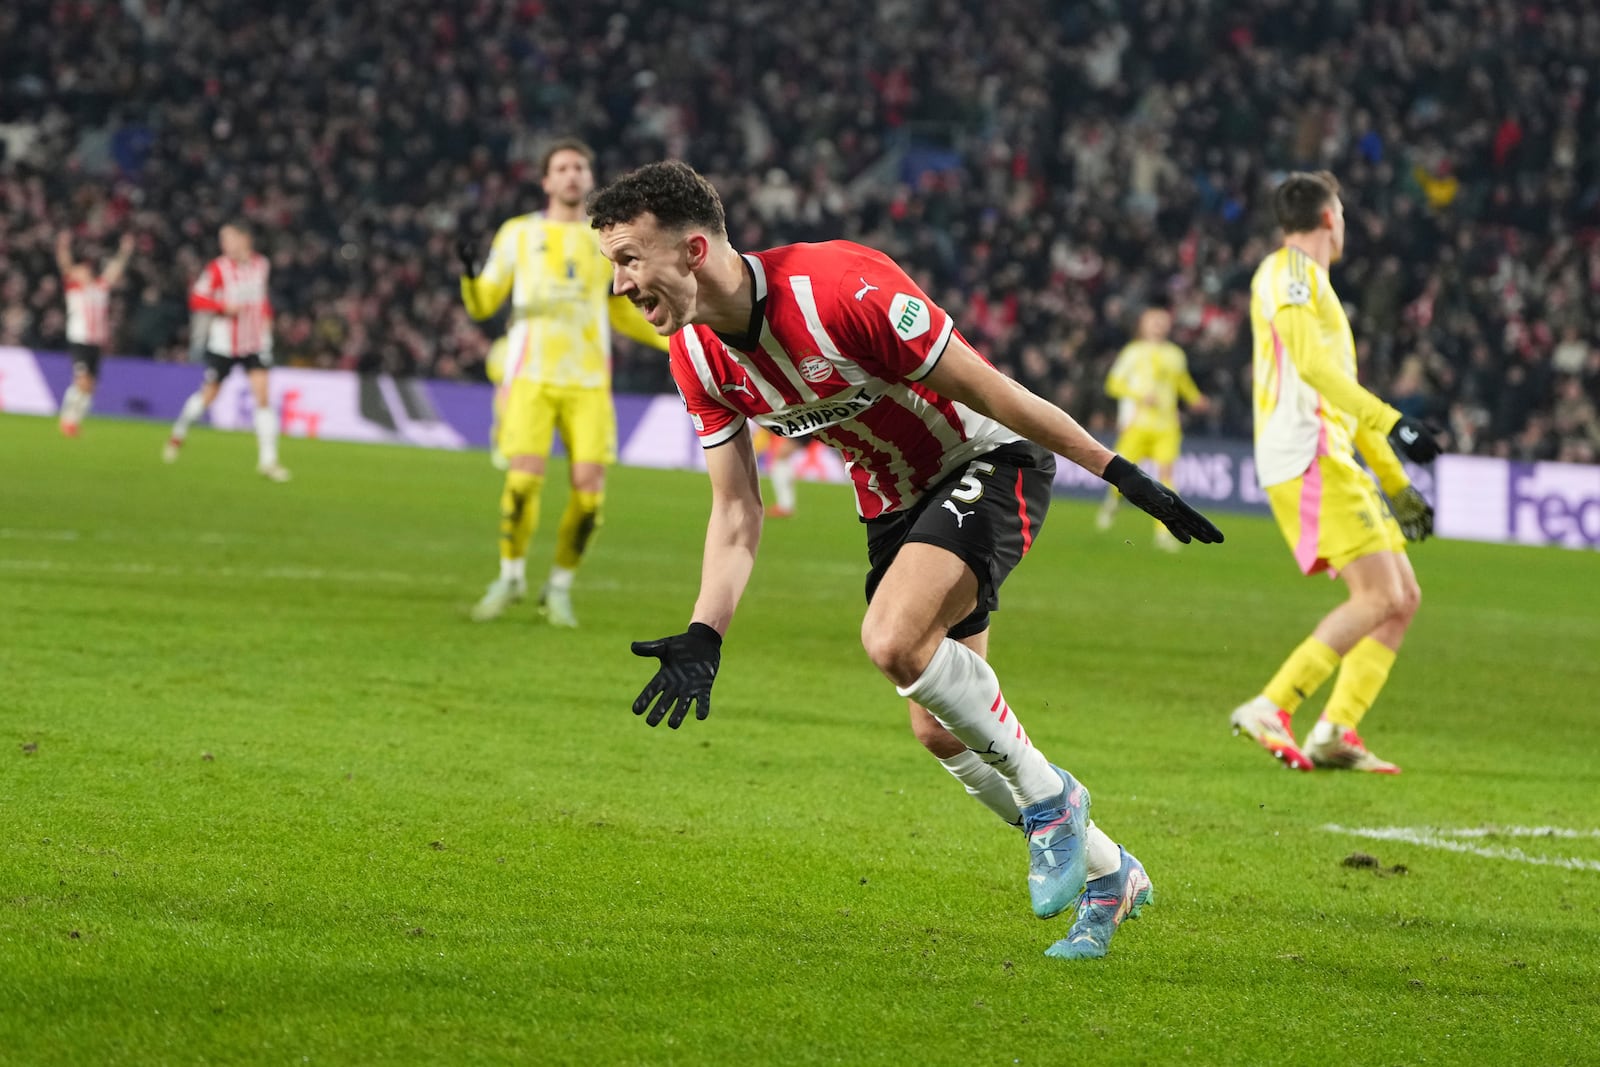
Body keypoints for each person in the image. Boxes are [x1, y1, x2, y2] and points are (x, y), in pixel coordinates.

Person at [589, 161, 1223, 960]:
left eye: (627, 260)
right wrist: (705, 631)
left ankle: (1054, 799)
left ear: (690, 250)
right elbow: (737, 507)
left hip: (988, 460)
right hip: (893, 503)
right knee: (937, 727)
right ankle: (1109, 873)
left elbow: (992, 391)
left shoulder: (842, 288)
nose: (618, 285)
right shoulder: (699, 358)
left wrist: (1118, 470)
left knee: (891, 638)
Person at [1230, 171, 1441, 774]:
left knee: (1402, 598)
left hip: (1329, 452)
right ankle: (1272, 705)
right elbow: (1315, 368)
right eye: (1342, 212)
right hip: (1306, 453)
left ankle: (1335, 730)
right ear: (1329, 218)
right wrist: (1395, 419)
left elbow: (1341, 393)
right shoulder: (1289, 272)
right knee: (1378, 594)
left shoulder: (1315, 286)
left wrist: (1398, 485)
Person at [459, 138, 669, 627]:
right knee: (522, 484)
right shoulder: (517, 233)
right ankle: (510, 576)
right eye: (562, 167)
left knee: (590, 495)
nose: (572, 174)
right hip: (531, 377)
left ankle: (559, 586)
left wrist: (669, 338)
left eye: (580, 166)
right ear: (546, 180)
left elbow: (620, 308)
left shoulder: (607, 239)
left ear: (589, 178)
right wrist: (471, 278)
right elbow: (484, 304)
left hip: (589, 382)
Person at [163, 221, 288, 481]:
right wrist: (222, 306)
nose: (224, 244)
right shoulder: (218, 268)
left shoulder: (261, 265)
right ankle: (178, 434)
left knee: (263, 397)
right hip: (225, 345)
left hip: (254, 342)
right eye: (222, 239)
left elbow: (261, 299)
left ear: (245, 239)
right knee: (209, 396)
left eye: (229, 238)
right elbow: (196, 298)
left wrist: (267, 319)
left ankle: (268, 461)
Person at [1094, 306, 1210, 550]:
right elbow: (1113, 384)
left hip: (1167, 426)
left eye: (1162, 320)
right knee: (1121, 475)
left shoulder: (1175, 354)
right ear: (1143, 325)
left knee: (1167, 479)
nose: (1158, 324)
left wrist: (1195, 398)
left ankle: (1165, 532)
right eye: (1153, 320)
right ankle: (1112, 504)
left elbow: (1181, 382)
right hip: (1137, 424)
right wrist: (1138, 395)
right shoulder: (1133, 352)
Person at [54, 231, 134, 436]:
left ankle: (75, 420)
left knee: (91, 387)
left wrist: (124, 251)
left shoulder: (99, 288)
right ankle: (67, 418)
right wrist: (63, 247)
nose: (82, 271)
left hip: (96, 343)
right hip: (79, 340)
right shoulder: (74, 289)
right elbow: (65, 266)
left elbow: (114, 270)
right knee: (82, 381)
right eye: (79, 270)